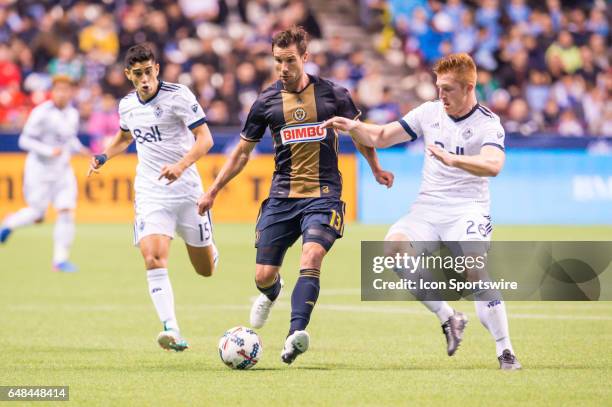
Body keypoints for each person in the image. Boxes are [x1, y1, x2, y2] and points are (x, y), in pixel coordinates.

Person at [197, 26, 393, 365]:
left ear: (305, 57)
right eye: (277, 61)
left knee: (312, 255)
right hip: (282, 198)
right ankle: (272, 293)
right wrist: (214, 189)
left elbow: (360, 135)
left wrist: (375, 167)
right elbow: (243, 153)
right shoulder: (266, 102)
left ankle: (294, 336)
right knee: (262, 275)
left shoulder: (334, 94)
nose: (283, 68)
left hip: (324, 194)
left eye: (290, 61)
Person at [322, 53, 521, 370]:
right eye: (439, 87)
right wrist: (354, 127)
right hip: (428, 208)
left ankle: (505, 349)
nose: (441, 95)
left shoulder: (487, 123)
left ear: (469, 87)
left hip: (467, 209)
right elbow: (382, 136)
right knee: (394, 248)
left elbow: (493, 165)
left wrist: (455, 160)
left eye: (448, 89)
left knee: (474, 271)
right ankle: (449, 317)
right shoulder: (429, 112)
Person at [88, 43, 218, 352]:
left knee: (206, 270)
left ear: (157, 69)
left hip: (186, 190)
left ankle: (211, 247)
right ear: (128, 75)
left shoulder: (179, 96)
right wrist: (104, 156)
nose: (145, 79)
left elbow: (206, 139)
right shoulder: (127, 106)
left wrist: (180, 166)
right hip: (151, 191)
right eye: (138, 74)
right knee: (153, 257)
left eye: (149, 72)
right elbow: (124, 135)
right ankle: (171, 328)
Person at [0, 75, 87, 273]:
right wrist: (48, 151)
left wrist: (81, 149)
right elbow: (24, 141)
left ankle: (60, 260)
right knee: (36, 214)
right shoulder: (41, 113)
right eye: (59, 89)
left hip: (63, 171)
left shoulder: (72, 113)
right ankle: (9, 224)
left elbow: (69, 138)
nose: (63, 93)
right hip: (39, 170)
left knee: (66, 211)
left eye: (66, 89)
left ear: (71, 92)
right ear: (53, 92)